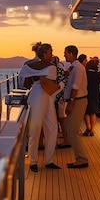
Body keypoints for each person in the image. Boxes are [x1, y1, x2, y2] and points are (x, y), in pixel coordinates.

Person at [19, 43, 61, 172]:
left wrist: (35, 77)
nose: (52, 54)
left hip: (39, 93)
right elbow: (52, 79)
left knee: (52, 128)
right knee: (36, 129)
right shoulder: (51, 67)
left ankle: (48, 160)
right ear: (44, 53)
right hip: (42, 94)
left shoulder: (28, 65)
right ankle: (33, 162)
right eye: (50, 52)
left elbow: (24, 81)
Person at [63, 45, 90, 168]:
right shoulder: (74, 67)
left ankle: (82, 158)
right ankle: (80, 157)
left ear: (71, 53)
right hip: (76, 100)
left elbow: (75, 86)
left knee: (72, 131)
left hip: (78, 101)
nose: (64, 55)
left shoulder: (78, 68)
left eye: (66, 53)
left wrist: (71, 103)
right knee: (70, 129)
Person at [52, 55, 71, 149]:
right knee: (62, 119)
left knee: (62, 119)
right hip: (63, 97)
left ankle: (66, 140)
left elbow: (57, 85)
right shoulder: (60, 70)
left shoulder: (56, 71)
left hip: (61, 98)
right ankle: (66, 138)